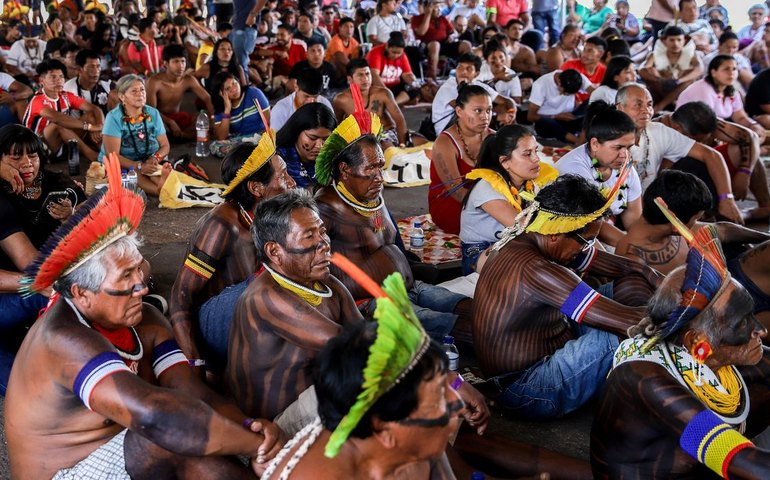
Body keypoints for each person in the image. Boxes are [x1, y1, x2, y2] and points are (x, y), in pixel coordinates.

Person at [4, 154, 284, 479]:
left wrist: (249, 427)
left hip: (122, 453)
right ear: (81, 293)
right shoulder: (63, 337)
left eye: (139, 269)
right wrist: (254, 446)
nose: (142, 286)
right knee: (162, 435)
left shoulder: (145, 318)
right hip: (66, 472)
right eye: (126, 276)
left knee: (189, 436)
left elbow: (192, 391)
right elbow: (153, 416)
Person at [472, 174, 660, 419]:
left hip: (550, 347)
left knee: (634, 283)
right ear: (555, 234)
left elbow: (621, 266)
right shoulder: (540, 271)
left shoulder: (533, 236)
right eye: (587, 241)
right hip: (527, 388)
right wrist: (689, 308)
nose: (587, 249)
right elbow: (632, 323)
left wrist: (651, 274)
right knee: (625, 335)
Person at [592, 221, 770, 479]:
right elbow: (733, 456)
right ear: (697, 341)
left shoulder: (696, 352)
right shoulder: (645, 379)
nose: (761, 330)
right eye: (742, 323)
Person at [262, 266, 461, 479]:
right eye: (438, 397)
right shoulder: (316, 475)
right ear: (384, 430)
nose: (457, 401)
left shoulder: (413, 437)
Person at [314, 93, 471, 341]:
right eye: (371, 168)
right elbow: (311, 269)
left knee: (475, 309)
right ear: (344, 170)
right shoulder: (325, 208)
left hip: (411, 287)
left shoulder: (370, 193)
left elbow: (390, 240)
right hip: (374, 303)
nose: (380, 177)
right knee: (463, 327)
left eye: (380, 166)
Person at [225, 190, 363, 420]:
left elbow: (362, 332)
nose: (324, 243)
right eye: (309, 236)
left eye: (322, 231)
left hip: (314, 401)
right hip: (278, 424)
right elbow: (348, 344)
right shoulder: (266, 297)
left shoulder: (328, 284)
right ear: (274, 251)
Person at [170, 135, 295, 374]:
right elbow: (181, 294)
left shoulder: (268, 218)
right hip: (214, 326)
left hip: (248, 320)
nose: (291, 182)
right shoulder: (221, 224)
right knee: (263, 286)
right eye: (283, 176)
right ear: (256, 188)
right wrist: (194, 361)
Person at [614, 83, 742, 224]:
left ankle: (713, 217)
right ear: (620, 108)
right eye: (638, 105)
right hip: (618, 210)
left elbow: (711, 155)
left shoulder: (657, 130)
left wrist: (727, 199)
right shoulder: (607, 138)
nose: (646, 110)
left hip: (651, 206)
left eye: (649, 104)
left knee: (694, 164)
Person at [615, 169, 770, 276]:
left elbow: (724, 230)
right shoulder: (633, 259)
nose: (699, 222)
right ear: (675, 224)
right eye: (696, 219)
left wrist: (765, 238)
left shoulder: (667, 225)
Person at [460, 124, 559, 274]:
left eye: (535, 151)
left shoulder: (529, 184)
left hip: (515, 245)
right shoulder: (488, 187)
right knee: (534, 263)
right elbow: (526, 228)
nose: (536, 159)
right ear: (505, 162)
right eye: (527, 154)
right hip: (480, 253)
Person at [656, 102, 770, 221]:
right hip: (681, 182)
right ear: (677, 128)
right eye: (696, 140)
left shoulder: (697, 120)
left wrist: (744, 172)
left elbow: (750, 137)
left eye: (705, 140)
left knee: (748, 152)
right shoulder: (658, 132)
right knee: (690, 163)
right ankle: (741, 215)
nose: (701, 144)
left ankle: (765, 205)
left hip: (710, 169)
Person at [557, 106, 641, 246]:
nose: (624, 154)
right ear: (595, 144)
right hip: (576, 238)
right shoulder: (574, 170)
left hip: (609, 235)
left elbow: (634, 216)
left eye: (628, 147)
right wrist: (634, 247)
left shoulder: (625, 166)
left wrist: (642, 243)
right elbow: (591, 226)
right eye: (618, 147)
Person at [429, 85, 494, 236]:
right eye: (478, 110)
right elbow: (456, 191)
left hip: (488, 201)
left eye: (489, 110)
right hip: (454, 205)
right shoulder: (445, 143)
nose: (485, 117)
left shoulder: (494, 138)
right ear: (459, 111)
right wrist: (496, 208)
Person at [100, 75, 172, 197]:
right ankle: (162, 192)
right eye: (134, 91)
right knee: (134, 175)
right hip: (124, 164)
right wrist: (140, 166)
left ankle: (165, 187)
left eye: (142, 90)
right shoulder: (113, 118)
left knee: (156, 174)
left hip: (149, 161)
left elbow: (165, 145)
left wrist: (155, 158)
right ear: (122, 97)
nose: (140, 94)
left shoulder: (153, 113)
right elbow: (112, 155)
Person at [23, 59, 105, 163]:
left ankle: (105, 152)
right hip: (40, 149)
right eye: (53, 77)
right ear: (41, 80)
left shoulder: (65, 96)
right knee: (58, 124)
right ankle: (92, 155)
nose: (59, 80)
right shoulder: (37, 100)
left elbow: (95, 108)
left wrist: (100, 126)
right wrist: (89, 127)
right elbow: (57, 118)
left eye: (61, 77)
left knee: (90, 116)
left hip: (64, 143)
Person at [677, 55, 766, 140]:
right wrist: (744, 134)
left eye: (734, 69)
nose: (731, 73)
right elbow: (709, 123)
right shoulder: (703, 89)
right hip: (690, 133)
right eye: (726, 69)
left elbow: (740, 117)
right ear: (713, 72)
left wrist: (753, 125)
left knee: (755, 136)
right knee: (746, 139)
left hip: (714, 131)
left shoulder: (731, 90)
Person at [333, 58, 409, 149]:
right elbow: (337, 125)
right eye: (360, 75)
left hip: (386, 135)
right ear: (350, 79)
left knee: (384, 144)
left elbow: (399, 120)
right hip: (361, 139)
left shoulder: (383, 93)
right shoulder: (341, 100)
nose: (365, 79)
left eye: (367, 74)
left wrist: (402, 144)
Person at [147, 44, 215, 140]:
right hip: (161, 119)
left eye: (183, 61)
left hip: (178, 118)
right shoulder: (154, 82)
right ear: (166, 64)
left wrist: (212, 118)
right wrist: (170, 122)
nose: (181, 66)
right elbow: (151, 111)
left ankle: (182, 135)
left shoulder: (188, 80)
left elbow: (207, 98)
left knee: (204, 118)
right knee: (155, 126)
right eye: (176, 62)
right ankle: (183, 136)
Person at [639, 26, 702, 112]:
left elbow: (700, 69)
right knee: (651, 71)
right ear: (664, 41)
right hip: (661, 87)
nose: (675, 44)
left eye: (679, 40)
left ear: (684, 41)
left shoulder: (692, 55)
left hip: (681, 88)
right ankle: (672, 103)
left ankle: (660, 106)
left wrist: (678, 81)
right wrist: (660, 79)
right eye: (672, 40)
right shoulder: (655, 54)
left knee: (691, 79)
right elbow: (642, 70)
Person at [276, 102, 337, 189]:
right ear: (297, 131)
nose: (320, 146)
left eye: (326, 139)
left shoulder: (334, 157)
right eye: (312, 138)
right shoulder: (278, 161)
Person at [527, 68, 591, 144]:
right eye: (566, 93)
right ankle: (577, 140)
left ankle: (582, 136)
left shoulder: (577, 78)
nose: (564, 95)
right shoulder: (541, 84)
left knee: (593, 104)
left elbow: (595, 93)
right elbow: (530, 116)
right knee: (546, 122)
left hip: (570, 117)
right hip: (550, 122)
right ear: (559, 82)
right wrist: (556, 116)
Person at [210, 71, 271, 141]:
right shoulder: (220, 108)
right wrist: (227, 110)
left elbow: (269, 122)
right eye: (227, 88)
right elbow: (221, 137)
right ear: (220, 93)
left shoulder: (253, 93)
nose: (234, 89)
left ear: (238, 81)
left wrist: (263, 141)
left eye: (234, 83)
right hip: (240, 142)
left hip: (261, 137)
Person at [271, 68, 334, 134]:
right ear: (296, 87)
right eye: (307, 96)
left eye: (315, 97)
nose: (311, 101)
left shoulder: (325, 104)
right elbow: (276, 139)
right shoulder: (280, 109)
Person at [366, 31, 420, 106]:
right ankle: (391, 102)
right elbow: (374, 75)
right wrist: (386, 92)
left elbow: (407, 74)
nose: (396, 56)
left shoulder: (403, 56)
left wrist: (414, 82)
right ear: (387, 46)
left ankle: (393, 104)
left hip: (395, 87)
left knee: (414, 91)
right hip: (379, 87)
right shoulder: (376, 52)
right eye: (393, 52)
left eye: (399, 53)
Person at [63, 49, 116, 117]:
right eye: (91, 67)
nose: (96, 71)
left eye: (98, 66)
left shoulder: (107, 84)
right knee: (91, 116)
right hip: (79, 122)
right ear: (79, 69)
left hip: (106, 122)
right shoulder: (68, 88)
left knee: (116, 95)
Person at [410, 0, 455, 79]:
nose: (439, 9)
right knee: (435, 45)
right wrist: (428, 14)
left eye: (439, 7)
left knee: (465, 44)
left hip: (444, 44)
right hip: (426, 46)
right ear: (427, 8)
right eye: (436, 7)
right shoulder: (417, 18)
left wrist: (452, 36)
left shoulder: (442, 18)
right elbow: (421, 32)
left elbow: (452, 32)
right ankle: (432, 78)